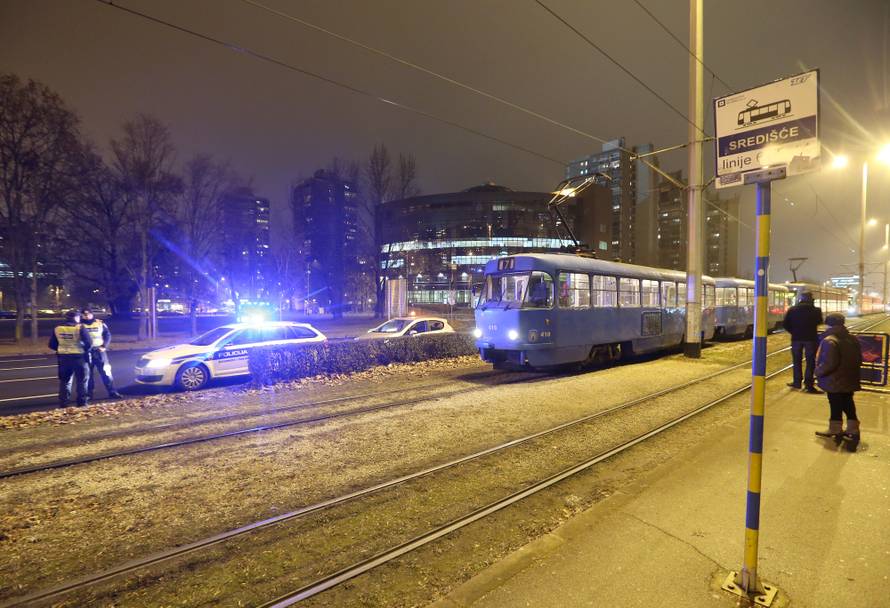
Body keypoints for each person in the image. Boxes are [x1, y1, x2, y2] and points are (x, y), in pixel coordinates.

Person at [814, 313, 862, 443]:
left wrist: (817, 372)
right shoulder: (852, 338)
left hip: (834, 379)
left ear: (828, 323)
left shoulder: (829, 340)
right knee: (848, 402)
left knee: (835, 403)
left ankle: (835, 429)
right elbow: (859, 359)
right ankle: (853, 430)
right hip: (849, 377)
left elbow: (829, 363)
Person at [48, 310, 92, 408]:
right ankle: (82, 403)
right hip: (78, 357)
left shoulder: (58, 328)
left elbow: (51, 344)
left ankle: (63, 403)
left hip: (64, 358)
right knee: (82, 380)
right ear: (76, 317)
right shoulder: (80, 328)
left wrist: (62, 349)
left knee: (65, 381)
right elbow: (89, 343)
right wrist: (84, 349)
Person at [782, 291, 823, 393]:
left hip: (796, 339)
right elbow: (820, 321)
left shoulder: (792, 310)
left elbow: (785, 324)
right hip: (811, 339)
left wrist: (794, 332)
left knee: (796, 361)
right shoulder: (816, 310)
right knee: (810, 362)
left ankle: (797, 382)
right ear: (811, 299)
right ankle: (809, 385)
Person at [81, 308, 122, 399]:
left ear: (92, 314)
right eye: (84, 315)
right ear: (82, 315)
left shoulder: (100, 323)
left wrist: (104, 346)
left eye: (88, 314)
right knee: (88, 374)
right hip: (86, 352)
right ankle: (89, 394)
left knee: (106, 372)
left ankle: (112, 392)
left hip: (99, 351)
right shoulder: (79, 325)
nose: (87, 316)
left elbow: (107, 335)